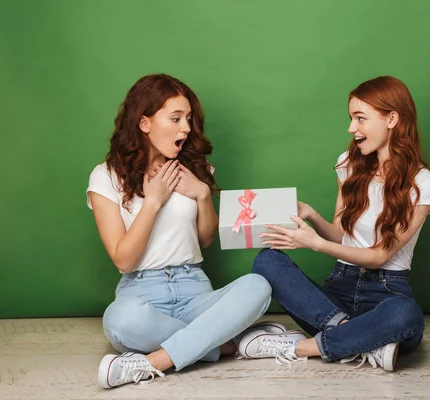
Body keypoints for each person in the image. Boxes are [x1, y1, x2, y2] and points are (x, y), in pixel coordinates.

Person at [86, 73, 284, 388]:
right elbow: (123, 260)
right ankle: (226, 344)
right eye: (176, 118)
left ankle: (154, 361)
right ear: (145, 123)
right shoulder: (106, 176)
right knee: (120, 321)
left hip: (194, 288)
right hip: (141, 292)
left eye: (188, 119)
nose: (186, 128)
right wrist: (152, 203)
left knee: (258, 286)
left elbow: (204, 239)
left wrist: (203, 194)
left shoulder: (194, 170)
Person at [236, 76, 430, 372]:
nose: (351, 128)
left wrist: (315, 244)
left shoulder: (423, 183)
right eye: (351, 118)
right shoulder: (349, 163)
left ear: (392, 119)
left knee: (405, 314)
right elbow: (342, 236)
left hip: (387, 291)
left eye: (360, 118)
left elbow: (380, 255)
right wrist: (313, 217)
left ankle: (304, 347)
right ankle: (357, 339)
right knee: (267, 261)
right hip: (338, 290)